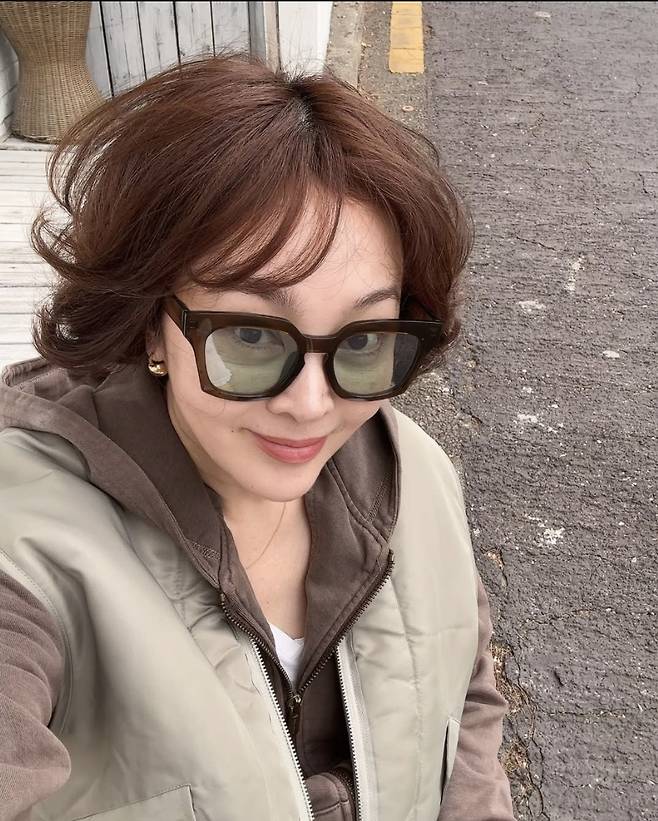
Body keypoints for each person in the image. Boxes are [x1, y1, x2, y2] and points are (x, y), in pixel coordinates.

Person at [0, 52, 515, 821]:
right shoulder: (27, 546)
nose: (311, 405)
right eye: (250, 336)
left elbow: (465, 698)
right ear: (152, 323)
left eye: (362, 339)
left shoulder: (417, 475)